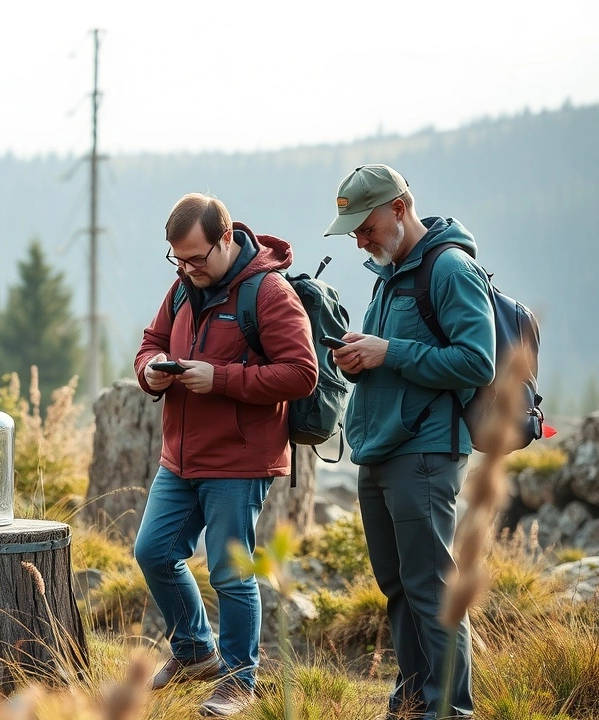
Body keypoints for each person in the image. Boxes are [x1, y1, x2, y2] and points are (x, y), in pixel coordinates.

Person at [133, 193, 317, 716]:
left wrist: (222, 379)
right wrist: (150, 369)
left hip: (239, 461)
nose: (188, 269)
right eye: (179, 260)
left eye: (197, 258)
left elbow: (303, 373)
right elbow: (151, 340)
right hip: (181, 457)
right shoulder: (183, 288)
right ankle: (194, 651)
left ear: (227, 237)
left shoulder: (269, 292)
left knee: (230, 573)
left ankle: (239, 682)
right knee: (153, 551)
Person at [324, 165, 494, 720]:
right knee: (398, 587)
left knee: (431, 589)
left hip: (424, 454)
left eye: (365, 225)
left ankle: (450, 711)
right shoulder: (389, 273)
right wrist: (354, 359)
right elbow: (386, 361)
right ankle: (415, 699)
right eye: (352, 230)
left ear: (399, 207)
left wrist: (387, 351)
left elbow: (478, 360)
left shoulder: (450, 269)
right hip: (380, 451)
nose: (359, 240)